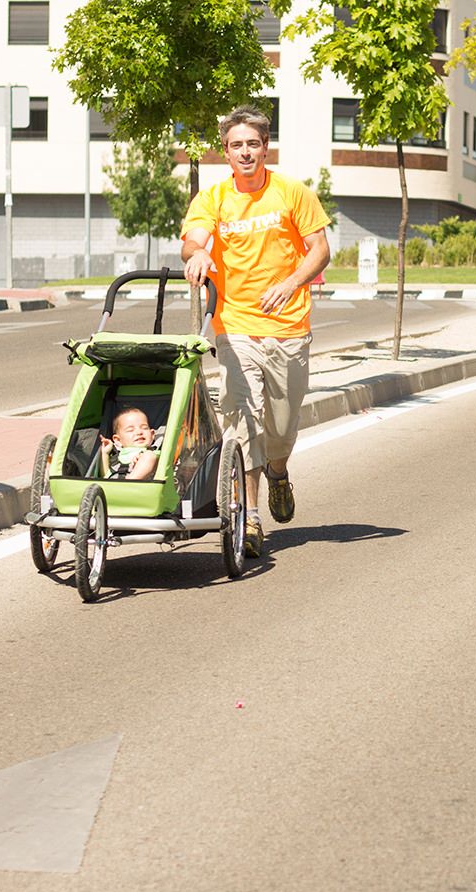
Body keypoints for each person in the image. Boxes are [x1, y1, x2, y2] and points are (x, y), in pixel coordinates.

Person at [181, 106, 331, 558]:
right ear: (225, 151)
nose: (245, 152)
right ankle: (248, 517)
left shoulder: (292, 193)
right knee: (241, 422)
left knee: (280, 428)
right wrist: (198, 255)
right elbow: (193, 236)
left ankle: (279, 472)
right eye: (236, 145)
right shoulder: (214, 197)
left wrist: (291, 283)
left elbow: (320, 250)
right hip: (236, 324)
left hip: (288, 327)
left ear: (265, 147)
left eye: (252, 144)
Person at [102, 407, 159, 481]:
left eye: (144, 428)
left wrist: (144, 457)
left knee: (149, 455)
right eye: (130, 430)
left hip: (139, 489)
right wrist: (105, 454)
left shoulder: (154, 453)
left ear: (152, 434)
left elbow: (154, 459)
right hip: (114, 487)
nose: (139, 432)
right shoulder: (116, 458)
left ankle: (129, 482)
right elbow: (107, 476)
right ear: (118, 440)